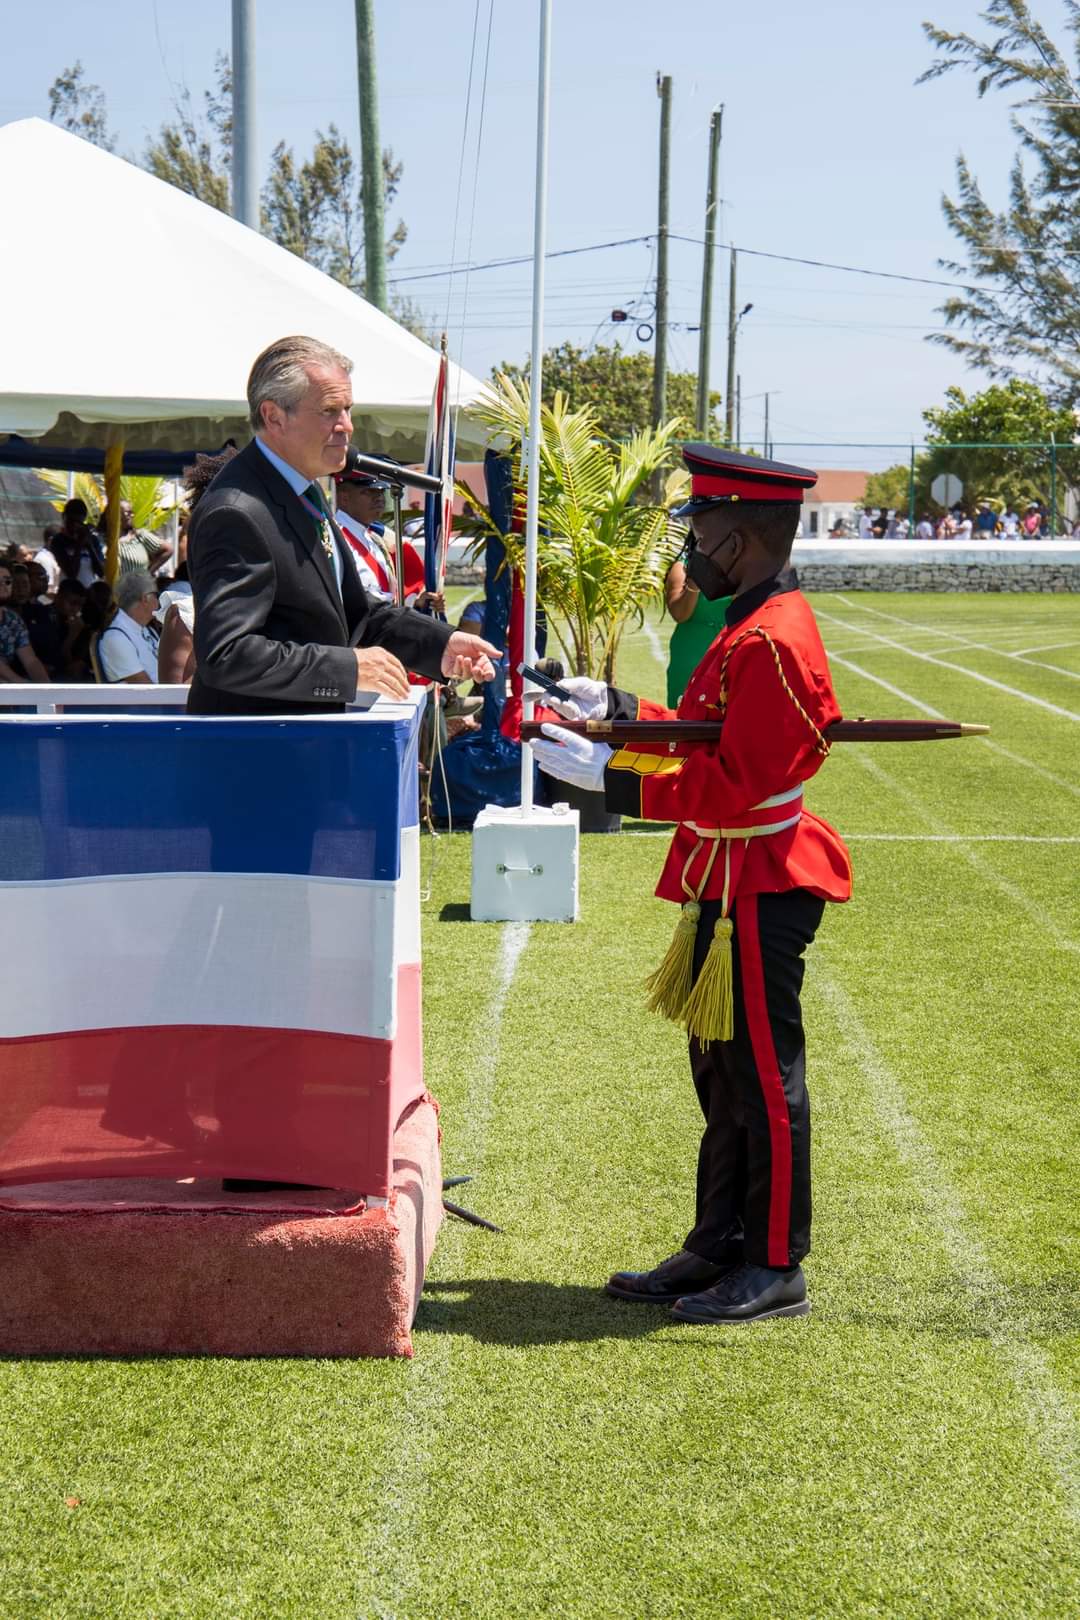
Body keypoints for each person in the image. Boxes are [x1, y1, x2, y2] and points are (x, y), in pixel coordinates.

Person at [533, 445, 852, 1326]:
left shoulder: (774, 640)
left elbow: (737, 779)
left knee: (762, 1074)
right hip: (725, 871)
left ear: (740, 541)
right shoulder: (749, 626)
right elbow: (706, 727)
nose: (690, 554)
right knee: (719, 1069)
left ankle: (776, 1260)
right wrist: (622, 713)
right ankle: (720, 1243)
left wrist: (615, 781)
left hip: (761, 871)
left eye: (700, 535)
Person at [187, 334, 498, 716]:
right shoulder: (237, 512)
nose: (347, 427)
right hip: (255, 754)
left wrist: (441, 644)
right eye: (330, 411)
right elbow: (227, 654)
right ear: (273, 416)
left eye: (348, 409)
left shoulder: (302, 492)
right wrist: (348, 668)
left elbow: (353, 613)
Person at [332, 464, 444, 612]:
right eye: (369, 491)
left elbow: (387, 596)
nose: (379, 498)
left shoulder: (375, 539)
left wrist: (416, 602)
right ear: (344, 498)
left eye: (380, 491)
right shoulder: (335, 538)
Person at [663, 552, 730, 708]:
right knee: (686, 716)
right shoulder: (682, 567)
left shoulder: (737, 565)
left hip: (728, 649)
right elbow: (679, 614)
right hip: (691, 654)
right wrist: (695, 579)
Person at [97, 570, 161, 684]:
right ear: (145, 598)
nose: (159, 600)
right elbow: (146, 690)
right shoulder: (116, 638)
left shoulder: (146, 629)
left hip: (166, 698)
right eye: (156, 595)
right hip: (148, 700)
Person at [0, 561, 50, 683]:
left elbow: (30, 661)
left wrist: (48, 691)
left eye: (7, 581)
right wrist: (22, 685)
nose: (3, 585)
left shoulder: (13, 620)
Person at [98, 499, 172, 577]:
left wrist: (148, 573)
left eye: (132, 512)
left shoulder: (139, 536)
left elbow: (168, 550)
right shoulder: (100, 540)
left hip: (138, 587)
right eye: (128, 513)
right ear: (115, 515)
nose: (132, 515)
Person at [51, 498, 105, 586]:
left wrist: (89, 546)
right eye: (71, 521)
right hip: (69, 593)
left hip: (89, 593)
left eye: (78, 522)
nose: (74, 526)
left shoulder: (92, 540)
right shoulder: (58, 541)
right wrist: (79, 544)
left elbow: (101, 572)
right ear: (64, 517)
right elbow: (71, 573)